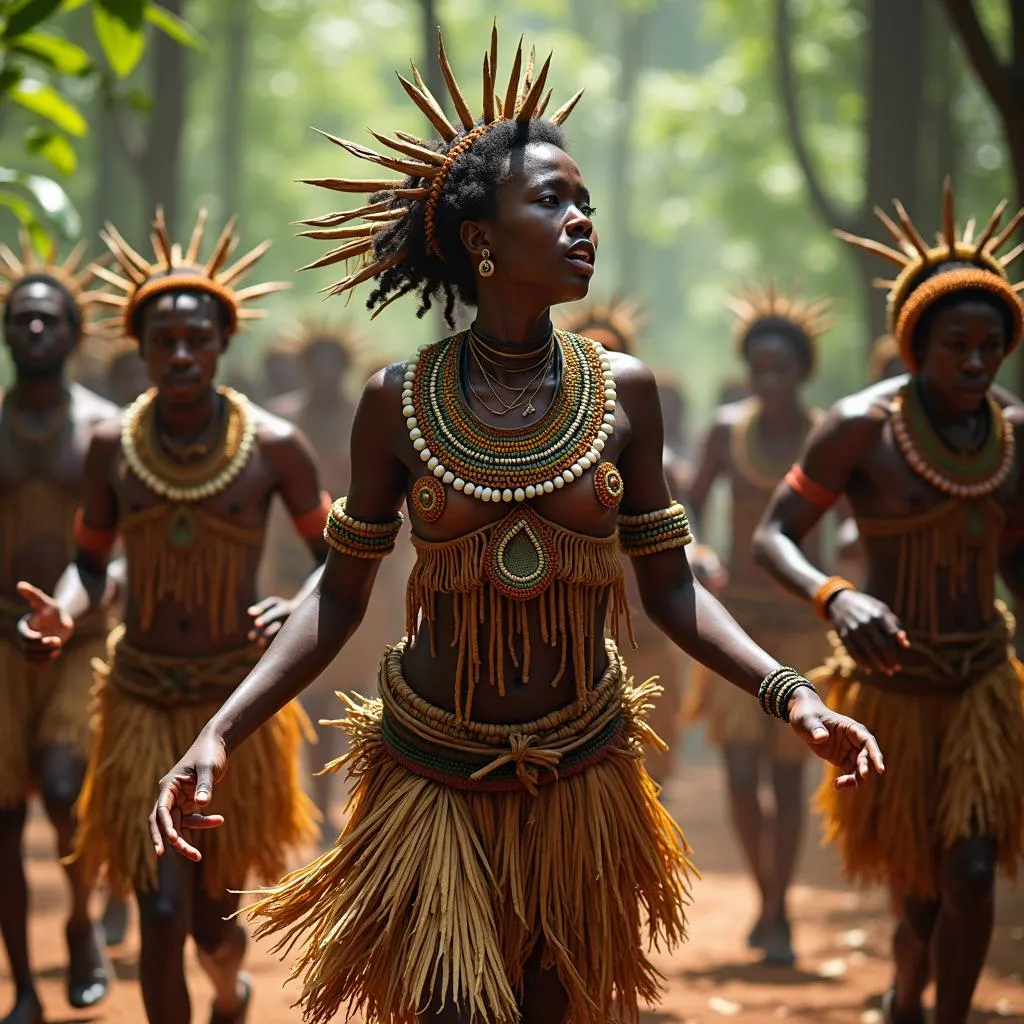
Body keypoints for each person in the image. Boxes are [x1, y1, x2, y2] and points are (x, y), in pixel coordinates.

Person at [145, 29, 880, 1024]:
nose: (581, 223)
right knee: (453, 1009)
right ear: (481, 241)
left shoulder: (628, 394)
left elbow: (669, 586)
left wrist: (789, 694)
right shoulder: (394, 400)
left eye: (586, 203)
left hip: (581, 775)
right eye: (551, 202)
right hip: (433, 775)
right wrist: (219, 735)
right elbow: (341, 588)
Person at [16, 209, 323, 1024]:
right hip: (141, 700)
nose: (181, 354)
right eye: (164, 341)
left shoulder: (277, 448)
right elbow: (89, 563)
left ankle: (230, 989)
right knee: (158, 912)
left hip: (235, 705)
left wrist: (292, 605)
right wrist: (65, 611)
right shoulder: (110, 447)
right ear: (141, 349)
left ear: (223, 343)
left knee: (214, 919)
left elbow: (340, 558)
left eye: (197, 339)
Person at [752, 182, 1024, 1024]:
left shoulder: (1017, 436)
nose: (975, 363)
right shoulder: (859, 428)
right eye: (955, 346)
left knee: (971, 872)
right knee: (920, 898)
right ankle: (907, 995)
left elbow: (1016, 558)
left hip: (981, 683)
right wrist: (838, 598)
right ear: (915, 346)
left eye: (990, 346)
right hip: (893, 691)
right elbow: (775, 535)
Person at [684, 281, 836, 964]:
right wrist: (699, 553)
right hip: (738, 625)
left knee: (786, 780)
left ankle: (778, 911)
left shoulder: (829, 433)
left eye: (782, 369)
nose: (769, 380)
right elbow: (681, 512)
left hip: (803, 624)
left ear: (803, 372)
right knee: (741, 775)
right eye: (759, 369)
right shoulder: (725, 431)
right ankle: (763, 895)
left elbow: (860, 507)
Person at [0, 236, 116, 1024]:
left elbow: (124, 545)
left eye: (48, 320)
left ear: (76, 335)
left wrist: (71, 609)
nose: (34, 331)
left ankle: (80, 923)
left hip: (80, 640)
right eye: (20, 320)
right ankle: (24, 989)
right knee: (3, 818)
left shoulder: (108, 429)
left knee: (69, 790)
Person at [265, 323, 411, 832]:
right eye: (317, 363)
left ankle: (360, 806)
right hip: (295, 578)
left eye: (335, 363)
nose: (325, 374)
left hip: (369, 577)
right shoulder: (280, 424)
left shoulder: (372, 414)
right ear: (304, 367)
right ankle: (321, 808)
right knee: (310, 694)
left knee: (366, 694)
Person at [556, 296, 689, 785]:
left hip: (643, 632)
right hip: (572, 651)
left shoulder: (652, 456)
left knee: (645, 778)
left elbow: (671, 547)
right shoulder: (534, 450)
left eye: (605, 355)